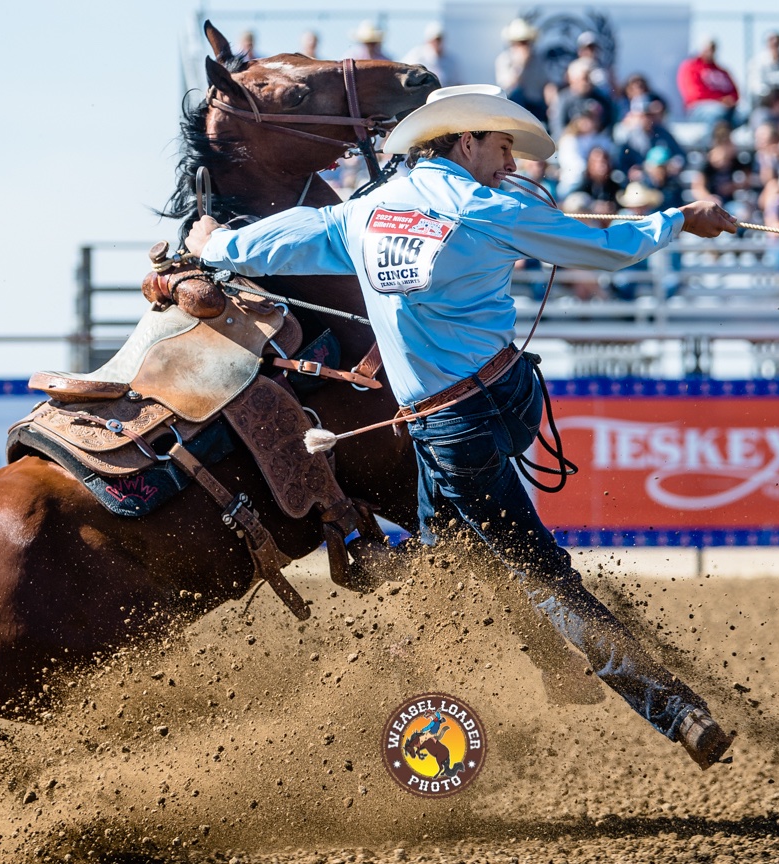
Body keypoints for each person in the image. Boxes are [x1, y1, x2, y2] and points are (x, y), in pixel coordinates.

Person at [185, 84, 739, 769]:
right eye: (502, 144)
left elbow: (271, 247)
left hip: (450, 429)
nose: (510, 159)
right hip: (507, 403)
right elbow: (606, 246)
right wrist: (680, 219)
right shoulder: (487, 208)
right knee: (449, 544)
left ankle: (672, 706)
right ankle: (434, 611)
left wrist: (212, 242)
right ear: (464, 141)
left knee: (541, 579)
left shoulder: (361, 217)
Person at [676, 36, 741, 132]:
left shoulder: (721, 70)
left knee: (745, 115)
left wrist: (729, 100)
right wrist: (720, 100)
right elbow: (694, 94)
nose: (711, 51)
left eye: (713, 48)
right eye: (708, 48)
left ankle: (731, 144)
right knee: (716, 114)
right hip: (699, 109)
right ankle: (714, 145)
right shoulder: (691, 67)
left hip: (726, 108)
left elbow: (734, 92)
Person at [495, 18, 552, 124]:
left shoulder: (538, 59)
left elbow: (546, 83)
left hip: (536, 106)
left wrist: (552, 102)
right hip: (513, 107)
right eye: (519, 42)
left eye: (525, 42)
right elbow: (507, 87)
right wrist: (520, 65)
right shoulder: (503, 60)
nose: (523, 46)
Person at [548, 57, 616, 140]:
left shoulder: (601, 98)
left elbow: (609, 124)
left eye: (589, 78)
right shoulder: (563, 98)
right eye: (584, 78)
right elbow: (557, 126)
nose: (588, 82)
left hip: (596, 142)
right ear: (573, 79)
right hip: (571, 141)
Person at [747, 30, 779, 107]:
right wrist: (770, 94)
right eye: (771, 42)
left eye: (777, 43)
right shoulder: (757, 62)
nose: (774, 45)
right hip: (763, 103)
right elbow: (755, 85)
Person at [403, 22, 462, 87]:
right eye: (434, 40)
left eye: (439, 40)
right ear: (428, 41)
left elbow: (458, 82)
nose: (437, 43)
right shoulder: (417, 56)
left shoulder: (451, 60)